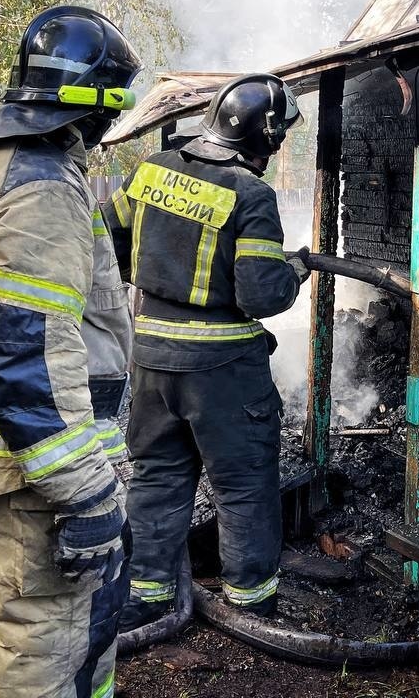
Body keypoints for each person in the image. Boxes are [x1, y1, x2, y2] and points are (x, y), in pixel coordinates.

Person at [0, 5, 140, 698]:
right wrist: (84, 490)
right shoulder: (44, 187)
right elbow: (26, 355)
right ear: (94, 102)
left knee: (56, 622)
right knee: (50, 632)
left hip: (14, 440)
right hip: (40, 455)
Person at [104, 72, 308, 630]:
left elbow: (107, 241)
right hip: (223, 371)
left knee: (156, 476)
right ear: (266, 135)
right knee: (243, 485)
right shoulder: (251, 195)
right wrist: (293, 271)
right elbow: (260, 295)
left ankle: (147, 595)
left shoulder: (151, 170)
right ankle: (251, 605)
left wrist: (155, 275)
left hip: (151, 358)